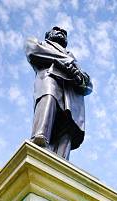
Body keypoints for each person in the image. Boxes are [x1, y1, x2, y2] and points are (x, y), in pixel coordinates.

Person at [25, 27, 92, 159]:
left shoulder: (73, 59)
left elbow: (88, 85)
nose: (61, 32)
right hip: (50, 78)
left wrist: (79, 76)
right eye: (56, 30)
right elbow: (33, 51)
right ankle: (40, 139)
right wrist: (65, 62)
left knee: (69, 124)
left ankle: (62, 158)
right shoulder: (41, 44)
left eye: (64, 32)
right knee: (49, 98)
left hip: (71, 93)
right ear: (48, 35)